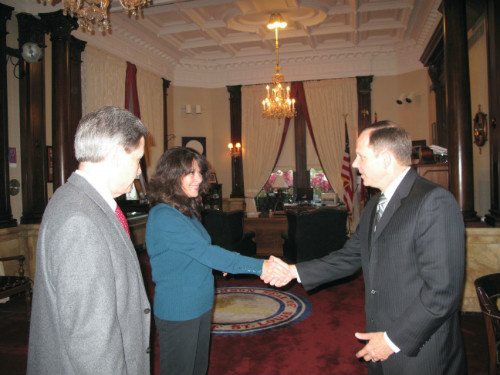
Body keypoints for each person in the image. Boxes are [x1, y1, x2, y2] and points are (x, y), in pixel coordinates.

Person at [270, 121, 467, 375]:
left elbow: (443, 292)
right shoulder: (375, 205)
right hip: (379, 336)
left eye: (361, 156)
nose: (354, 164)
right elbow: (350, 256)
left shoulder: (434, 201)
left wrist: (392, 340)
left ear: (386, 159)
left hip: (420, 349)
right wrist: (294, 271)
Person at [27, 106, 152, 375]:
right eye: (138, 159)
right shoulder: (80, 221)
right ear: (118, 155)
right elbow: (93, 342)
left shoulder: (73, 199)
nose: (140, 170)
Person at [145, 147, 289, 375]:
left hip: (199, 303)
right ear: (172, 175)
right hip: (180, 308)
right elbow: (206, 253)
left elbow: (200, 252)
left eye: (199, 172)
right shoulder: (164, 215)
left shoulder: (185, 210)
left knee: (199, 368)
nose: (199, 178)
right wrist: (261, 265)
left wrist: (214, 262)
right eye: (190, 173)